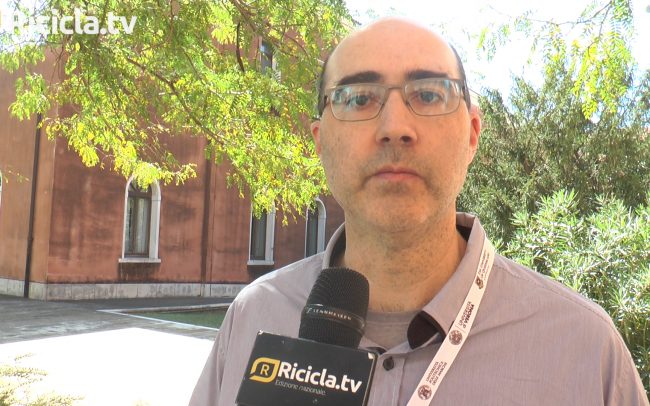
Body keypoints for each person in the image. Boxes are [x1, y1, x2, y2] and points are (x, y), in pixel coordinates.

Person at [190, 18, 649, 405]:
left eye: (429, 95)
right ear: (320, 142)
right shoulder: (253, 317)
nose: (394, 127)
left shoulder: (586, 350)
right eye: (359, 98)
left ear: (472, 135)